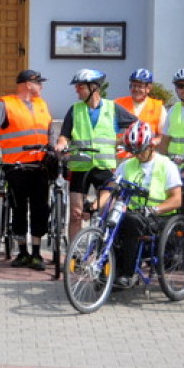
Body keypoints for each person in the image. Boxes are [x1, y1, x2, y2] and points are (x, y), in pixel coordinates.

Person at [0, 69, 56, 270]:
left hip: (40, 165)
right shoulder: (6, 104)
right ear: (28, 84)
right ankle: (22, 252)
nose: (42, 87)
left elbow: (50, 129)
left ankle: (36, 253)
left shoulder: (42, 104)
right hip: (16, 165)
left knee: (40, 208)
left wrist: (54, 148)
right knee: (19, 208)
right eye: (39, 83)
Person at [55, 69, 137, 240]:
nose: (76, 90)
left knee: (106, 211)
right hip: (80, 167)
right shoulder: (74, 110)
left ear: (93, 87)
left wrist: (121, 141)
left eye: (80, 87)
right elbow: (65, 134)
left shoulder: (112, 108)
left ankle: (103, 252)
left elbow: (137, 126)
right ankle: (74, 256)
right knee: (76, 214)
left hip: (104, 167)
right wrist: (61, 143)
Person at [103, 121, 183, 288]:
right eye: (133, 151)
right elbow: (110, 187)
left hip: (160, 217)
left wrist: (154, 209)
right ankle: (108, 271)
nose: (137, 155)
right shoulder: (127, 165)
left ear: (150, 145)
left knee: (131, 222)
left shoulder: (166, 165)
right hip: (135, 213)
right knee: (109, 221)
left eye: (140, 150)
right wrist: (96, 205)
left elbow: (176, 199)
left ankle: (128, 273)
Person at [113, 68, 166, 157]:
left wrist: (153, 142)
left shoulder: (158, 107)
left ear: (148, 88)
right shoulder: (118, 104)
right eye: (134, 86)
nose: (136, 89)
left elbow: (164, 135)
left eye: (140, 86)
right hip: (122, 157)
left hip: (146, 156)